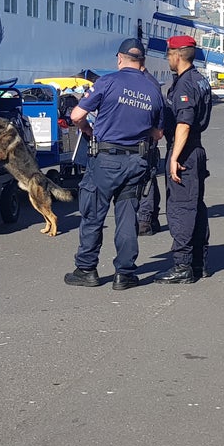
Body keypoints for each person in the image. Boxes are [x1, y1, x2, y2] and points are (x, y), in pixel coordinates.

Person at [64, 38, 164, 291]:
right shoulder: (153, 90)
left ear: (119, 58)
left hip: (106, 160)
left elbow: (76, 115)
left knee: (93, 215)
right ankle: (125, 273)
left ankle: (87, 269)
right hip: (136, 161)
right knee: (127, 217)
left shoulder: (107, 82)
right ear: (142, 61)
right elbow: (157, 133)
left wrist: (89, 130)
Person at [153, 35, 213, 284]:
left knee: (181, 209)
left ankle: (182, 266)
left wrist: (174, 157)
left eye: (168, 54)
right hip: (196, 150)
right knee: (196, 207)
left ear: (177, 54)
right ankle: (198, 262)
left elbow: (184, 123)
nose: (168, 58)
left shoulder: (186, 84)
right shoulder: (200, 80)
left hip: (185, 152)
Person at [137, 65, 164, 236]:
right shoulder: (151, 82)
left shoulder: (145, 83)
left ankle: (145, 220)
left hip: (145, 140)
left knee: (145, 180)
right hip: (149, 139)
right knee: (150, 178)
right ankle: (152, 218)